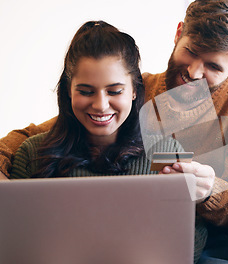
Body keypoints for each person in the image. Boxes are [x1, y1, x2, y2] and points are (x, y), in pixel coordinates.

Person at [0, 1, 228, 263]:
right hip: (179, 242)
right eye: (190, 52)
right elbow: (40, 135)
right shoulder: (131, 91)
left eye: (212, 66)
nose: (192, 72)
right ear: (178, 33)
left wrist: (209, 192)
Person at [7, 20, 211, 263]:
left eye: (114, 91)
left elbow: (190, 237)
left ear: (134, 91)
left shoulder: (165, 153)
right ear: (68, 91)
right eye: (85, 91)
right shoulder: (32, 153)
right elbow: (13, 242)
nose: (101, 105)